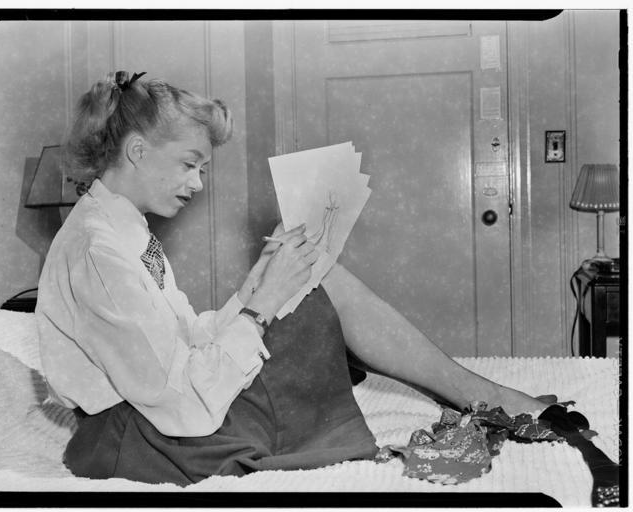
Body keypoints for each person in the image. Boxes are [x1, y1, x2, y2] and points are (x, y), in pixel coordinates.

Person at [36, 71, 547, 486]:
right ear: (138, 151)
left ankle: (480, 395)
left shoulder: (122, 229)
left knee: (312, 277)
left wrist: (258, 285)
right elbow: (183, 404)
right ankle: (485, 397)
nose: (197, 183)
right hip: (146, 442)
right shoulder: (97, 251)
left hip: (161, 420)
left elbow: (187, 341)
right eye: (191, 164)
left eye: (203, 170)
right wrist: (262, 306)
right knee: (321, 289)